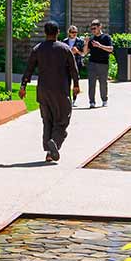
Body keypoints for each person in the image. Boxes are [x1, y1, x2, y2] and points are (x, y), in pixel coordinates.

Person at [19, 21, 80, 163]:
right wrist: (76, 85)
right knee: (63, 120)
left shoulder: (37, 49)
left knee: (47, 121)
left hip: (43, 91)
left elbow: (29, 69)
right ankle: (55, 142)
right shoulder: (65, 49)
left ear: (45, 32)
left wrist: (23, 86)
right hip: (60, 91)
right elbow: (73, 69)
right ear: (58, 32)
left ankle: (49, 152)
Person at [86, 20, 115, 108]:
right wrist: (86, 43)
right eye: (92, 29)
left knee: (103, 83)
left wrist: (99, 46)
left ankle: (104, 100)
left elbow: (111, 49)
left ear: (100, 27)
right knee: (91, 83)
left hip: (103, 63)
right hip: (92, 63)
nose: (93, 30)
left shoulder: (106, 37)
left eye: (94, 28)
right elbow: (85, 52)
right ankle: (92, 102)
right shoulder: (91, 39)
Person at [65, 24, 87, 100]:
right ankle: (68, 98)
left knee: (76, 82)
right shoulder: (65, 41)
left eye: (76, 32)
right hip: (67, 65)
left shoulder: (80, 41)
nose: (74, 34)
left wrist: (77, 51)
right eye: (72, 32)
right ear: (69, 33)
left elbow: (83, 54)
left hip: (77, 64)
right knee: (67, 82)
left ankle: (74, 98)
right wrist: (70, 52)